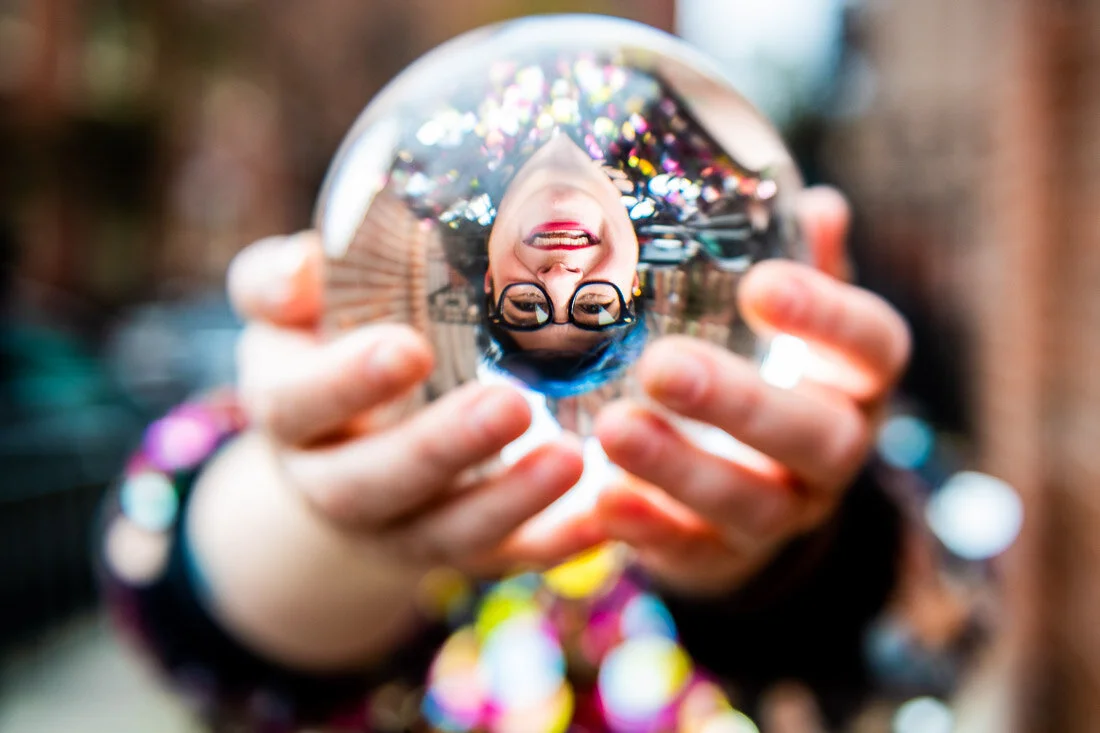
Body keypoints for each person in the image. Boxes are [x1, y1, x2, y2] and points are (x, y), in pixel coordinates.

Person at [99, 183, 911, 730]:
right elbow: (181, 590)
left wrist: (772, 552)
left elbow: (901, 619)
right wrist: (327, 506)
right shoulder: (366, 389)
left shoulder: (773, 402)